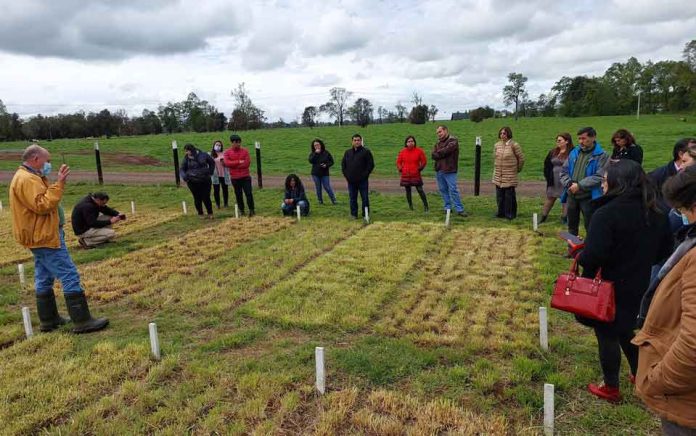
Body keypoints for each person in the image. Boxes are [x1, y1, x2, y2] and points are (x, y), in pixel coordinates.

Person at [576, 159, 672, 403]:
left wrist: (580, 253)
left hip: (609, 284)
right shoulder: (657, 211)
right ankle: (641, 374)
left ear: (618, 183)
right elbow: (664, 251)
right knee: (626, 328)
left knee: (607, 332)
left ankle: (610, 387)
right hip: (641, 282)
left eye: (606, 181)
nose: (603, 186)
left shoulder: (605, 213)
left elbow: (594, 256)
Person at [9, 144, 108, 333]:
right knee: (69, 274)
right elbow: (43, 204)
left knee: (44, 276)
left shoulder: (29, 176)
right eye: (47, 160)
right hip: (43, 236)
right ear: (35, 159)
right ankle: (82, 320)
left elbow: (41, 200)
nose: (49, 164)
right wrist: (60, 184)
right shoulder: (28, 179)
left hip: (38, 236)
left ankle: (49, 320)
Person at [633, 166, 696, 433]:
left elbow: (693, 345)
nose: (682, 217)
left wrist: (657, 379)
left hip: (685, 403)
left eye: (684, 210)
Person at [560, 127, 609, 236]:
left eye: (584, 138)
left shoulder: (602, 155)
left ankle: (590, 251)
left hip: (589, 197)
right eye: (579, 139)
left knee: (590, 226)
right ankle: (572, 250)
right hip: (571, 195)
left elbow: (599, 176)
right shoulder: (574, 152)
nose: (581, 141)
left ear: (593, 137)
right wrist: (568, 183)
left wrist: (580, 185)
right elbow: (563, 171)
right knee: (571, 226)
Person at [648, 137, 696, 214]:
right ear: (680, 154)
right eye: (683, 161)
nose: (681, 166)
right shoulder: (657, 175)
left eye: (685, 161)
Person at [432, 125, 467, 217]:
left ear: (445, 131)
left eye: (440, 132)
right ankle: (447, 207)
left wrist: (438, 153)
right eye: (437, 133)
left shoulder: (453, 141)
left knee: (453, 189)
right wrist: (440, 153)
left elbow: (446, 151)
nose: (438, 134)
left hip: (450, 169)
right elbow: (433, 155)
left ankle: (459, 209)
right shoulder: (438, 143)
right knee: (443, 190)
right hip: (439, 169)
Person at [492, 126, 525, 220]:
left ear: (508, 134)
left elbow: (521, 159)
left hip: (510, 174)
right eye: (501, 133)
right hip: (498, 174)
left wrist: (517, 169)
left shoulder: (514, 145)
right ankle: (500, 213)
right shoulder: (497, 145)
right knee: (499, 196)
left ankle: (510, 214)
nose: (502, 135)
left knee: (509, 196)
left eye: (504, 133)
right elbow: (495, 157)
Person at [341, 133, 374, 219]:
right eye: (355, 140)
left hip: (362, 181)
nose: (357, 142)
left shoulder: (366, 152)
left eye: (358, 140)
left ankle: (365, 215)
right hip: (351, 181)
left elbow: (370, 165)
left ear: (361, 141)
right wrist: (346, 175)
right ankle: (353, 214)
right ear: (352, 141)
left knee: (365, 198)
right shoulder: (347, 152)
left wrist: (365, 175)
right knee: (352, 198)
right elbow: (343, 165)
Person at [541, 133, 572, 223]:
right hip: (553, 179)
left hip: (566, 179)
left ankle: (564, 218)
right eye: (557, 140)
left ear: (567, 141)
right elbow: (547, 165)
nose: (557, 142)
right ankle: (543, 216)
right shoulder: (553, 152)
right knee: (550, 197)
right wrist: (547, 176)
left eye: (560, 140)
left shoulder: (572, 152)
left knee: (565, 199)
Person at [180, 143, 215, 219]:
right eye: (185, 151)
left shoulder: (204, 155)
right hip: (192, 181)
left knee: (206, 197)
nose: (186, 153)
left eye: (187, 151)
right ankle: (200, 213)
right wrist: (185, 177)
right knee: (197, 197)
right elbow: (182, 169)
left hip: (205, 180)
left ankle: (210, 213)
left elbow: (212, 162)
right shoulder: (186, 158)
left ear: (192, 150)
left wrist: (210, 171)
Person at [223, 134, 255, 217]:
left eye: (239, 142)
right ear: (232, 142)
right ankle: (242, 210)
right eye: (236, 142)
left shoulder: (245, 151)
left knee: (248, 194)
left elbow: (246, 163)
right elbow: (227, 163)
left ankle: (252, 209)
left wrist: (234, 165)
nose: (238, 144)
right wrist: (238, 162)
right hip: (235, 178)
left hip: (245, 177)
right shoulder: (227, 152)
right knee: (238, 195)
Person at [396, 135, 429, 211]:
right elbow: (398, 162)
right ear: (406, 143)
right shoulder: (402, 152)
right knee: (408, 191)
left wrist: (420, 168)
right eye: (409, 141)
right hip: (405, 174)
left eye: (412, 141)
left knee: (420, 190)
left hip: (415, 174)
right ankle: (411, 207)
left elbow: (424, 161)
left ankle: (426, 206)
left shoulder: (419, 151)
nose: (410, 143)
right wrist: (401, 169)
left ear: (414, 142)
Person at [308, 138, 337, 205]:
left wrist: (326, 165)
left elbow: (332, 162)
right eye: (315, 145)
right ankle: (320, 201)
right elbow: (310, 161)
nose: (317, 146)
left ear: (321, 145)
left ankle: (334, 200)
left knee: (327, 187)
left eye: (318, 144)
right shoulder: (313, 153)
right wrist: (315, 153)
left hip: (324, 173)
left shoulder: (326, 153)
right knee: (318, 187)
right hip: (315, 173)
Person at [210, 140, 231, 209]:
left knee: (225, 189)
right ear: (214, 146)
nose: (218, 146)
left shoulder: (224, 153)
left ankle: (226, 203)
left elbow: (228, 163)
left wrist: (224, 163)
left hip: (224, 174)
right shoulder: (211, 154)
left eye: (219, 145)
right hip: (215, 175)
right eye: (216, 145)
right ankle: (217, 204)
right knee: (216, 190)